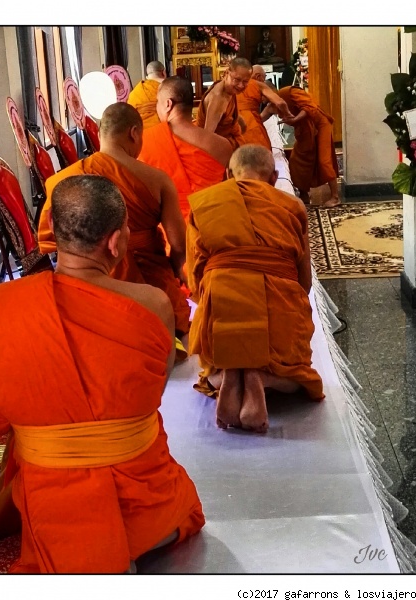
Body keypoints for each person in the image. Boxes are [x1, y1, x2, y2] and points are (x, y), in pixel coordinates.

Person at [0, 175, 205, 573]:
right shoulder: (154, 304)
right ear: (116, 242)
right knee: (178, 510)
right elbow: (152, 392)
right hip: (147, 505)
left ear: (52, 232)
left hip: (53, 508)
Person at [186, 145, 324, 434]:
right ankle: (262, 378)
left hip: (221, 310)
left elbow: (196, 284)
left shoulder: (205, 205)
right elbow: (304, 282)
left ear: (227, 175)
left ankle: (227, 375)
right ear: (273, 178)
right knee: (300, 375)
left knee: (208, 372)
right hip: (279, 308)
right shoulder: (293, 206)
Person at [37, 102, 190, 338]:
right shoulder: (157, 180)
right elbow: (179, 244)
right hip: (149, 279)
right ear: (134, 133)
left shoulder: (63, 181)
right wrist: (174, 271)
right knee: (165, 327)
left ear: (99, 134)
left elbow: (52, 241)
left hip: (83, 287)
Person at [139, 76, 233, 220]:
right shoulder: (222, 145)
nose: (157, 107)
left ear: (168, 104)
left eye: (158, 102)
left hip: (168, 228)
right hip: (212, 224)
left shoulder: (145, 140)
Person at [263, 85, 340, 207]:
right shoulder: (272, 105)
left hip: (319, 123)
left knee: (324, 160)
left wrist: (295, 120)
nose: (261, 99)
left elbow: (310, 107)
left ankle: (335, 197)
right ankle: (304, 193)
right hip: (304, 129)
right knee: (295, 161)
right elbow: (259, 119)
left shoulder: (288, 93)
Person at [196, 57, 292, 151]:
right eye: (237, 80)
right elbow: (207, 138)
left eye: (245, 82)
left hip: (234, 142)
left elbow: (231, 114)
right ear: (226, 73)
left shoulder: (229, 91)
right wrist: (288, 115)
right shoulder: (217, 99)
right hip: (219, 151)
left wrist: (242, 124)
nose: (241, 85)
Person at [236, 64, 290, 150]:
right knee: (261, 156)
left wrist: (267, 111)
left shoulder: (235, 86)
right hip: (253, 129)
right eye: (264, 78)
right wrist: (288, 115)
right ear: (258, 76)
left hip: (236, 128)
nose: (264, 81)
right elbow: (280, 103)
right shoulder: (257, 84)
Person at [127, 60, 167, 129]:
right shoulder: (169, 88)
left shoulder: (135, 92)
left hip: (139, 132)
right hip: (161, 130)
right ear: (163, 72)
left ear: (147, 76)